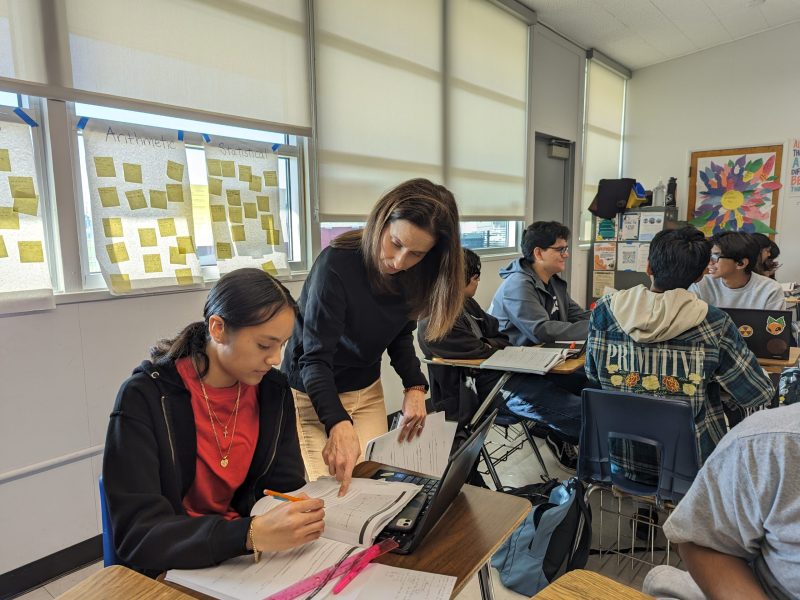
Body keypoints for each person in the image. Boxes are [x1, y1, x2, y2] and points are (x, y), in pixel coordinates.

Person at [103, 269, 318, 576]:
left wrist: (297, 515)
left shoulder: (273, 390)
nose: (274, 358)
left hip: (246, 558)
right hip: (177, 561)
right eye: (264, 345)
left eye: (282, 345)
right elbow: (139, 537)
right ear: (217, 329)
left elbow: (283, 487)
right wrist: (248, 534)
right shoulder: (145, 398)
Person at [282, 178, 463, 494]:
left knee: (369, 486)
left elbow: (399, 333)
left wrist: (415, 386)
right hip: (313, 393)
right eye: (395, 243)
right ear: (382, 221)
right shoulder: (336, 265)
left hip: (366, 389)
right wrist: (337, 422)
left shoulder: (416, 273)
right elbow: (314, 359)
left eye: (416, 254)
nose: (399, 262)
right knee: (332, 495)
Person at [585, 227, 774, 484]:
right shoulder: (713, 322)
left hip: (618, 456)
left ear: (649, 267)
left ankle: (643, 514)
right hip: (689, 464)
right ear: (699, 276)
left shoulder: (605, 311)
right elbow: (757, 393)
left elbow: (593, 374)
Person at [418, 248, 583, 465]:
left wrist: (489, 344)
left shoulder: (465, 303)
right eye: (476, 278)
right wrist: (489, 345)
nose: (477, 283)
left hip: (505, 374)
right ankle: (601, 458)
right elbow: (481, 350)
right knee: (576, 410)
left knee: (582, 382)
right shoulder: (434, 318)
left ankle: (572, 438)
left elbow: (500, 336)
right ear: (467, 278)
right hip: (483, 390)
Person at [643, 403, 800, 600]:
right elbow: (759, 392)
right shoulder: (772, 442)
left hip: (616, 465)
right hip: (688, 474)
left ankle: (644, 511)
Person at [488, 221, 590, 346]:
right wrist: (596, 330)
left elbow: (577, 315)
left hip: (542, 354)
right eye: (560, 249)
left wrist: (611, 318)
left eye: (566, 249)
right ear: (538, 253)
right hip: (514, 359)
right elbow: (542, 330)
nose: (566, 254)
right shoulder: (517, 285)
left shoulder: (553, 282)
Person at [689, 231, 784, 310]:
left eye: (715, 256)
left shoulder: (770, 290)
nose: (709, 262)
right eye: (709, 256)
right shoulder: (700, 285)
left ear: (741, 263)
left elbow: (774, 329)